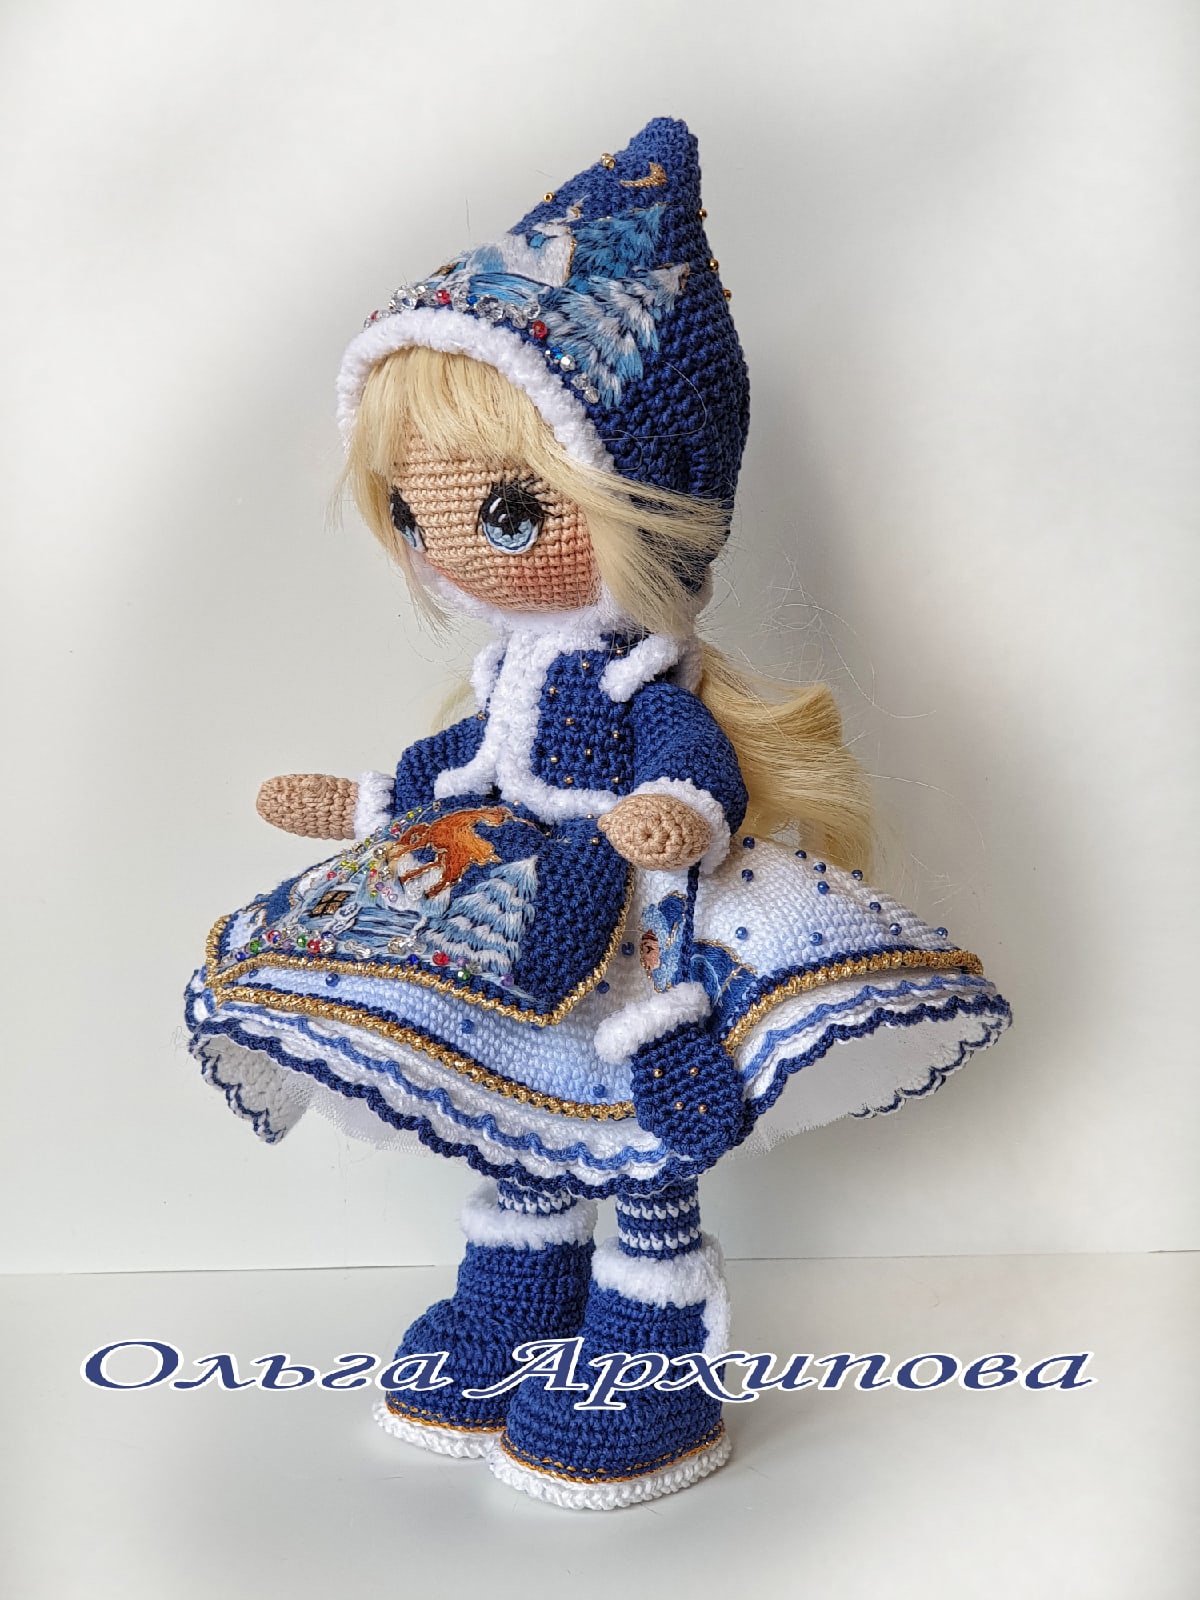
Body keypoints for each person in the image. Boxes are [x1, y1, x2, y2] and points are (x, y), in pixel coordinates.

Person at [184, 116, 1011, 1510]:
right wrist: (366, 801)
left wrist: (673, 813)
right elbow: (458, 773)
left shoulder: (636, 678)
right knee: (520, 1137)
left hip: (639, 940)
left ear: (649, 506)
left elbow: (693, 764)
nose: (450, 549)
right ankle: (510, 1319)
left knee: (640, 1147)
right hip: (512, 929)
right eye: (413, 512)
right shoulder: (506, 679)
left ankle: (647, 1365)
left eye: (508, 511)